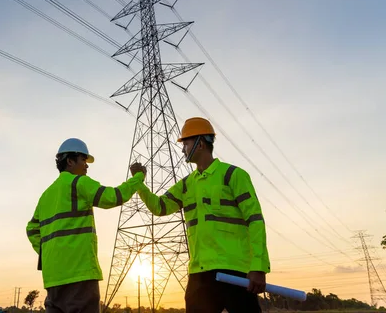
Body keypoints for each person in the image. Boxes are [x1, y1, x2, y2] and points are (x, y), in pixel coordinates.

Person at [136, 117, 270, 313]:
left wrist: (258, 267)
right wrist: (138, 182)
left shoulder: (233, 175)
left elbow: (255, 220)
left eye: (186, 143)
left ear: (200, 143)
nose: (183, 149)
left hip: (236, 271)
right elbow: (159, 207)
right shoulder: (186, 184)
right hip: (200, 274)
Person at [26, 138, 147, 313]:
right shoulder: (79, 183)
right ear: (69, 161)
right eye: (83, 160)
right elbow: (114, 197)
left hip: (53, 280)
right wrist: (138, 177)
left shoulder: (46, 195)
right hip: (80, 276)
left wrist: (51, 256)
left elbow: (31, 230)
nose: (86, 165)